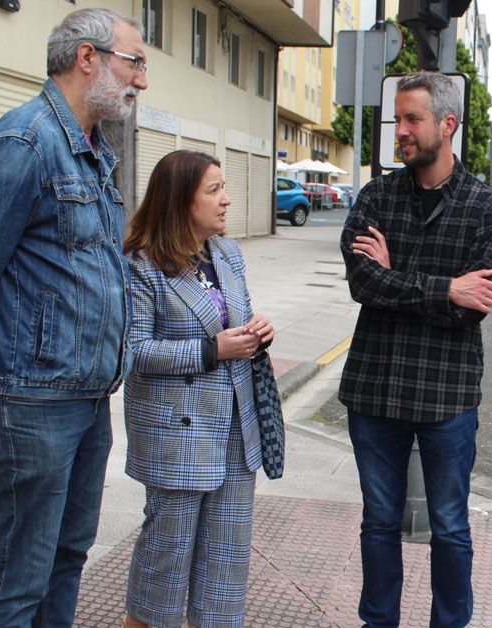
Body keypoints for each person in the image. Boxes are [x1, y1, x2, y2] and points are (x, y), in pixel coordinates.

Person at [0, 8, 147, 626]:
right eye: (135, 62)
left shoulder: (95, 153)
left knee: (68, 556)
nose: (141, 79)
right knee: (21, 573)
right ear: (88, 58)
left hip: (85, 392)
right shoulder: (23, 143)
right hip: (30, 399)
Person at [339, 71, 492, 628]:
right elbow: (364, 284)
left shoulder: (484, 207)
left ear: (447, 124)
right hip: (376, 390)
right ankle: (379, 621)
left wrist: (401, 278)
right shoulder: (376, 196)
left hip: (447, 396)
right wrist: (442, 286)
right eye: (398, 120)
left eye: (412, 120)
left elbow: (471, 306)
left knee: (451, 526)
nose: (401, 131)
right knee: (379, 521)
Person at [121, 150, 275, 628]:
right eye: (214, 190)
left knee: (226, 565)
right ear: (180, 200)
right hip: (176, 435)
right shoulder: (142, 264)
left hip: (235, 430)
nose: (227, 200)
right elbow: (134, 351)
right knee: (165, 561)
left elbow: (235, 319)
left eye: (224, 188)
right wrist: (211, 351)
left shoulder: (227, 254)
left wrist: (257, 331)